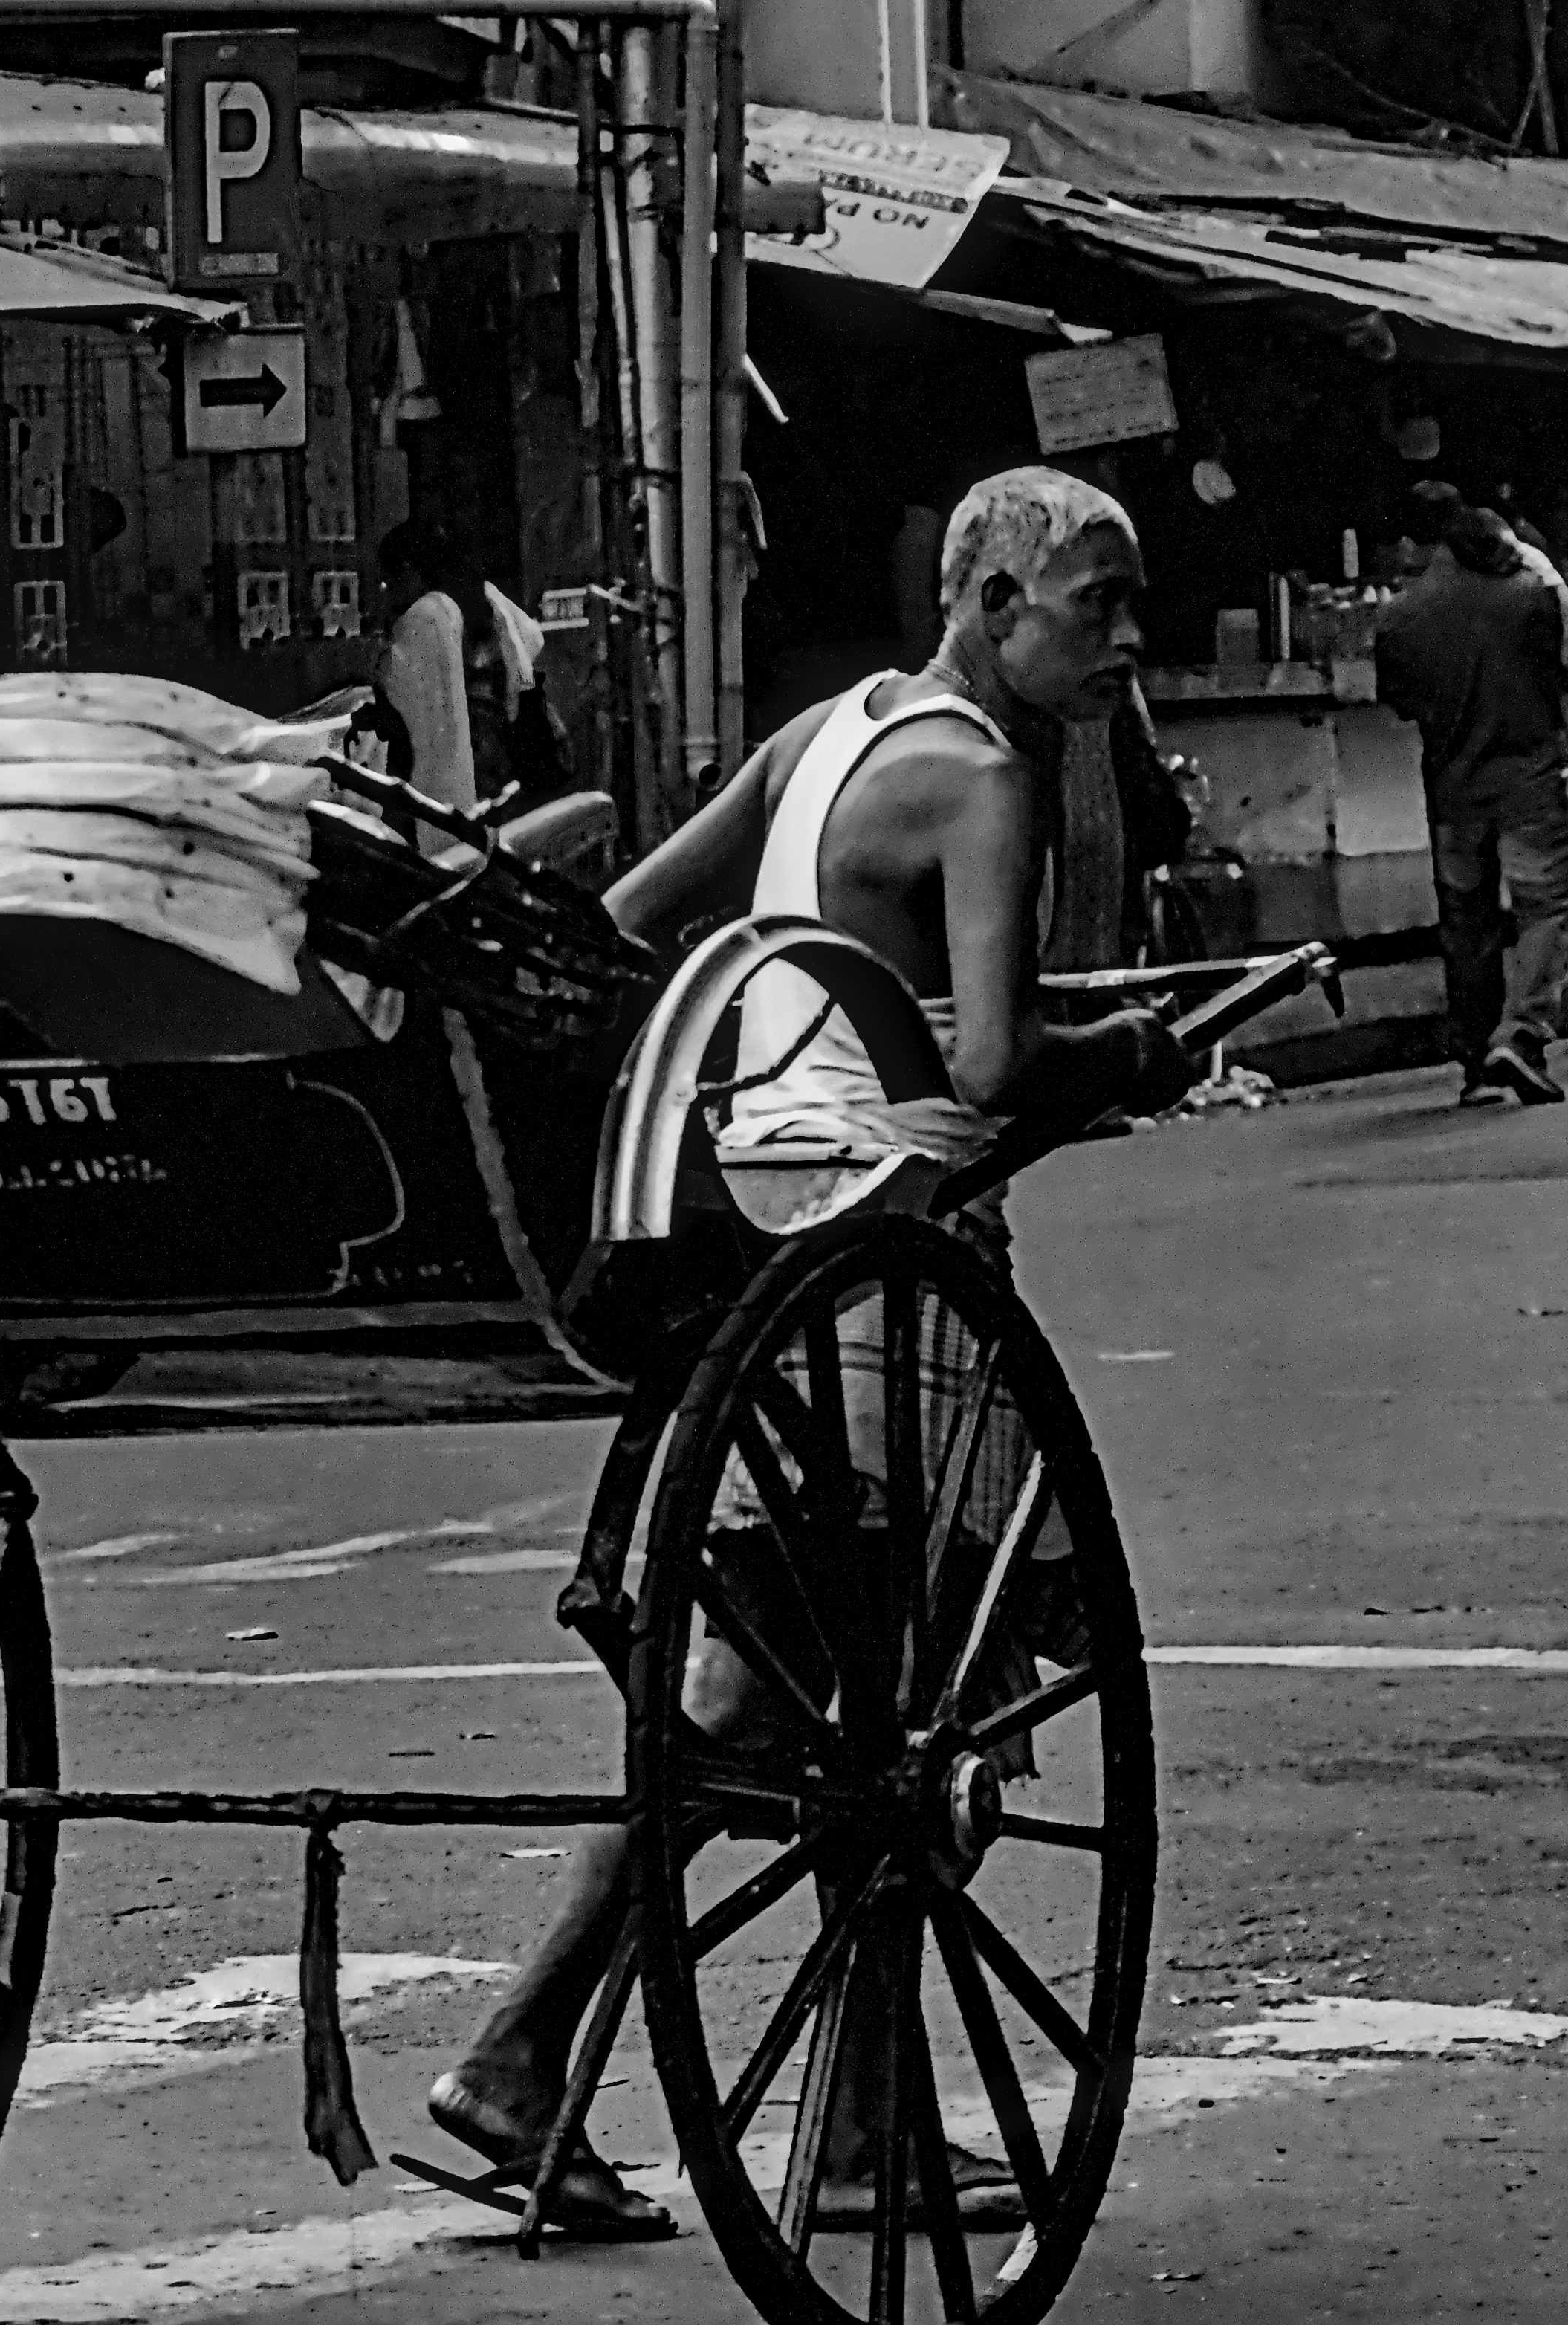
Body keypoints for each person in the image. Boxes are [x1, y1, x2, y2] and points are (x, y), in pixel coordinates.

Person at [423, 465, 1197, 2238]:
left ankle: (571, 2070)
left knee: (767, 1691)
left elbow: (629, 927)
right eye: (1100, 603)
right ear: (989, 600)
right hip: (895, 1275)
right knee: (922, 1715)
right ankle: (672, 2089)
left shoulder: (822, 737)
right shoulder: (985, 777)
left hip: (763, 1257)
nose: (1126, 638)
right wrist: (1137, 1053)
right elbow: (992, 1067)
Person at [1375, 482, 1568, 1105]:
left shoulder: (1399, 617)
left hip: (1452, 789)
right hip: (1529, 779)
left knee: (1467, 921)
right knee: (1545, 905)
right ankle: (1520, 1036)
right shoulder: (1530, 596)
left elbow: (1400, 703)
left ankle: (1473, 1061)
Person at [374, 520, 556, 835]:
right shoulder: (484, 596)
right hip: (498, 751)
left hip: (457, 763)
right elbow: (531, 639)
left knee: (457, 852)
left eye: (390, 581)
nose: (389, 593)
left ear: (408, 569)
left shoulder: (428, 614)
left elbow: (398, 689)